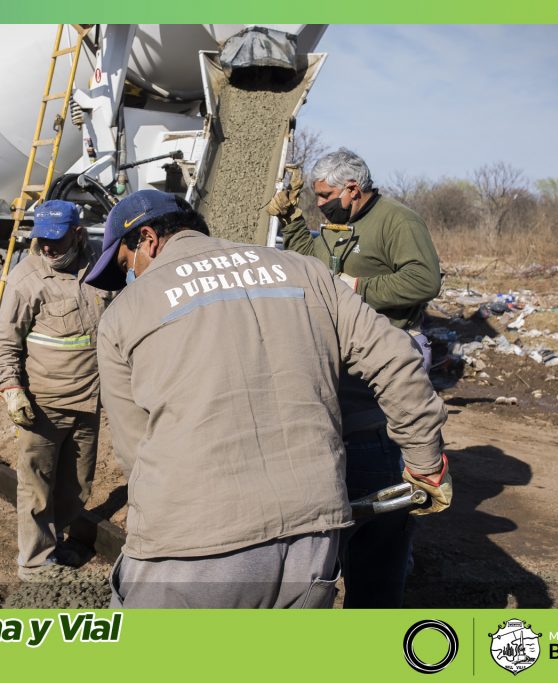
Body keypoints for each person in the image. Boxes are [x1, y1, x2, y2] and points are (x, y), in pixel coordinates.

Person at [85, 189, 451, 608]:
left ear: (147, 239)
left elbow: (135, 451)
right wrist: (425, 465)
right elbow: (397, 358)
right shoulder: (306, 271)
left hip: (191, 547)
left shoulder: (124, 314)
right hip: (311, 541)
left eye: (125, 265)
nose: (129, 279)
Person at [270, 148, 442, 608]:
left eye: (324, 195)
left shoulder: (397, 222)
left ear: (352, 190)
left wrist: (360, 287)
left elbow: (425, 282)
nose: (319, 203)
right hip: (345, 351)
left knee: (379, 443)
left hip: (390, 347)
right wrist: (290, 223)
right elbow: (314, 265)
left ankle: (389, 550)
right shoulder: (335, 220)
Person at [0, 200, 109, 581]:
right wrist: (11, 388)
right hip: (44, 405)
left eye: (56, 241)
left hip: (89, 400)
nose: (47, 249)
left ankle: (62, 543)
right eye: (42, 241)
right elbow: (4, 341)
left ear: (78, 234)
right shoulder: (26, 280)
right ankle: (35, 562)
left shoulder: (99, 269)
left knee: (77, 484)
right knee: (37, 485)